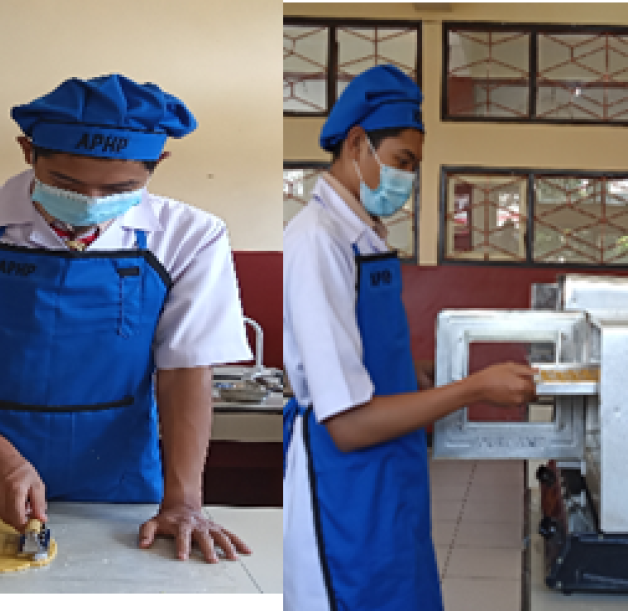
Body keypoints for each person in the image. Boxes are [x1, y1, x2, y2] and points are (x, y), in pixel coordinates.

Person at [0, 74, 253, 564]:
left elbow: (187, 367)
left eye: (121, 188)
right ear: (28, 152)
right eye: (66, 183)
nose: (89, 203)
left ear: (158, 165)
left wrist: (185, 502)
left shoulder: (192, 236)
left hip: (114, 477)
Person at [282, 64, 536, 610]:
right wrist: (474, 390)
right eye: (402, 162)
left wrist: (418, 373)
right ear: (357, 144)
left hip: (391, 469)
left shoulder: (365, 236)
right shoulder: (316, 243)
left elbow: (367, 355)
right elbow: (347, 425)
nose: (407, 180)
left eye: (413, 167)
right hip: (345, 479)